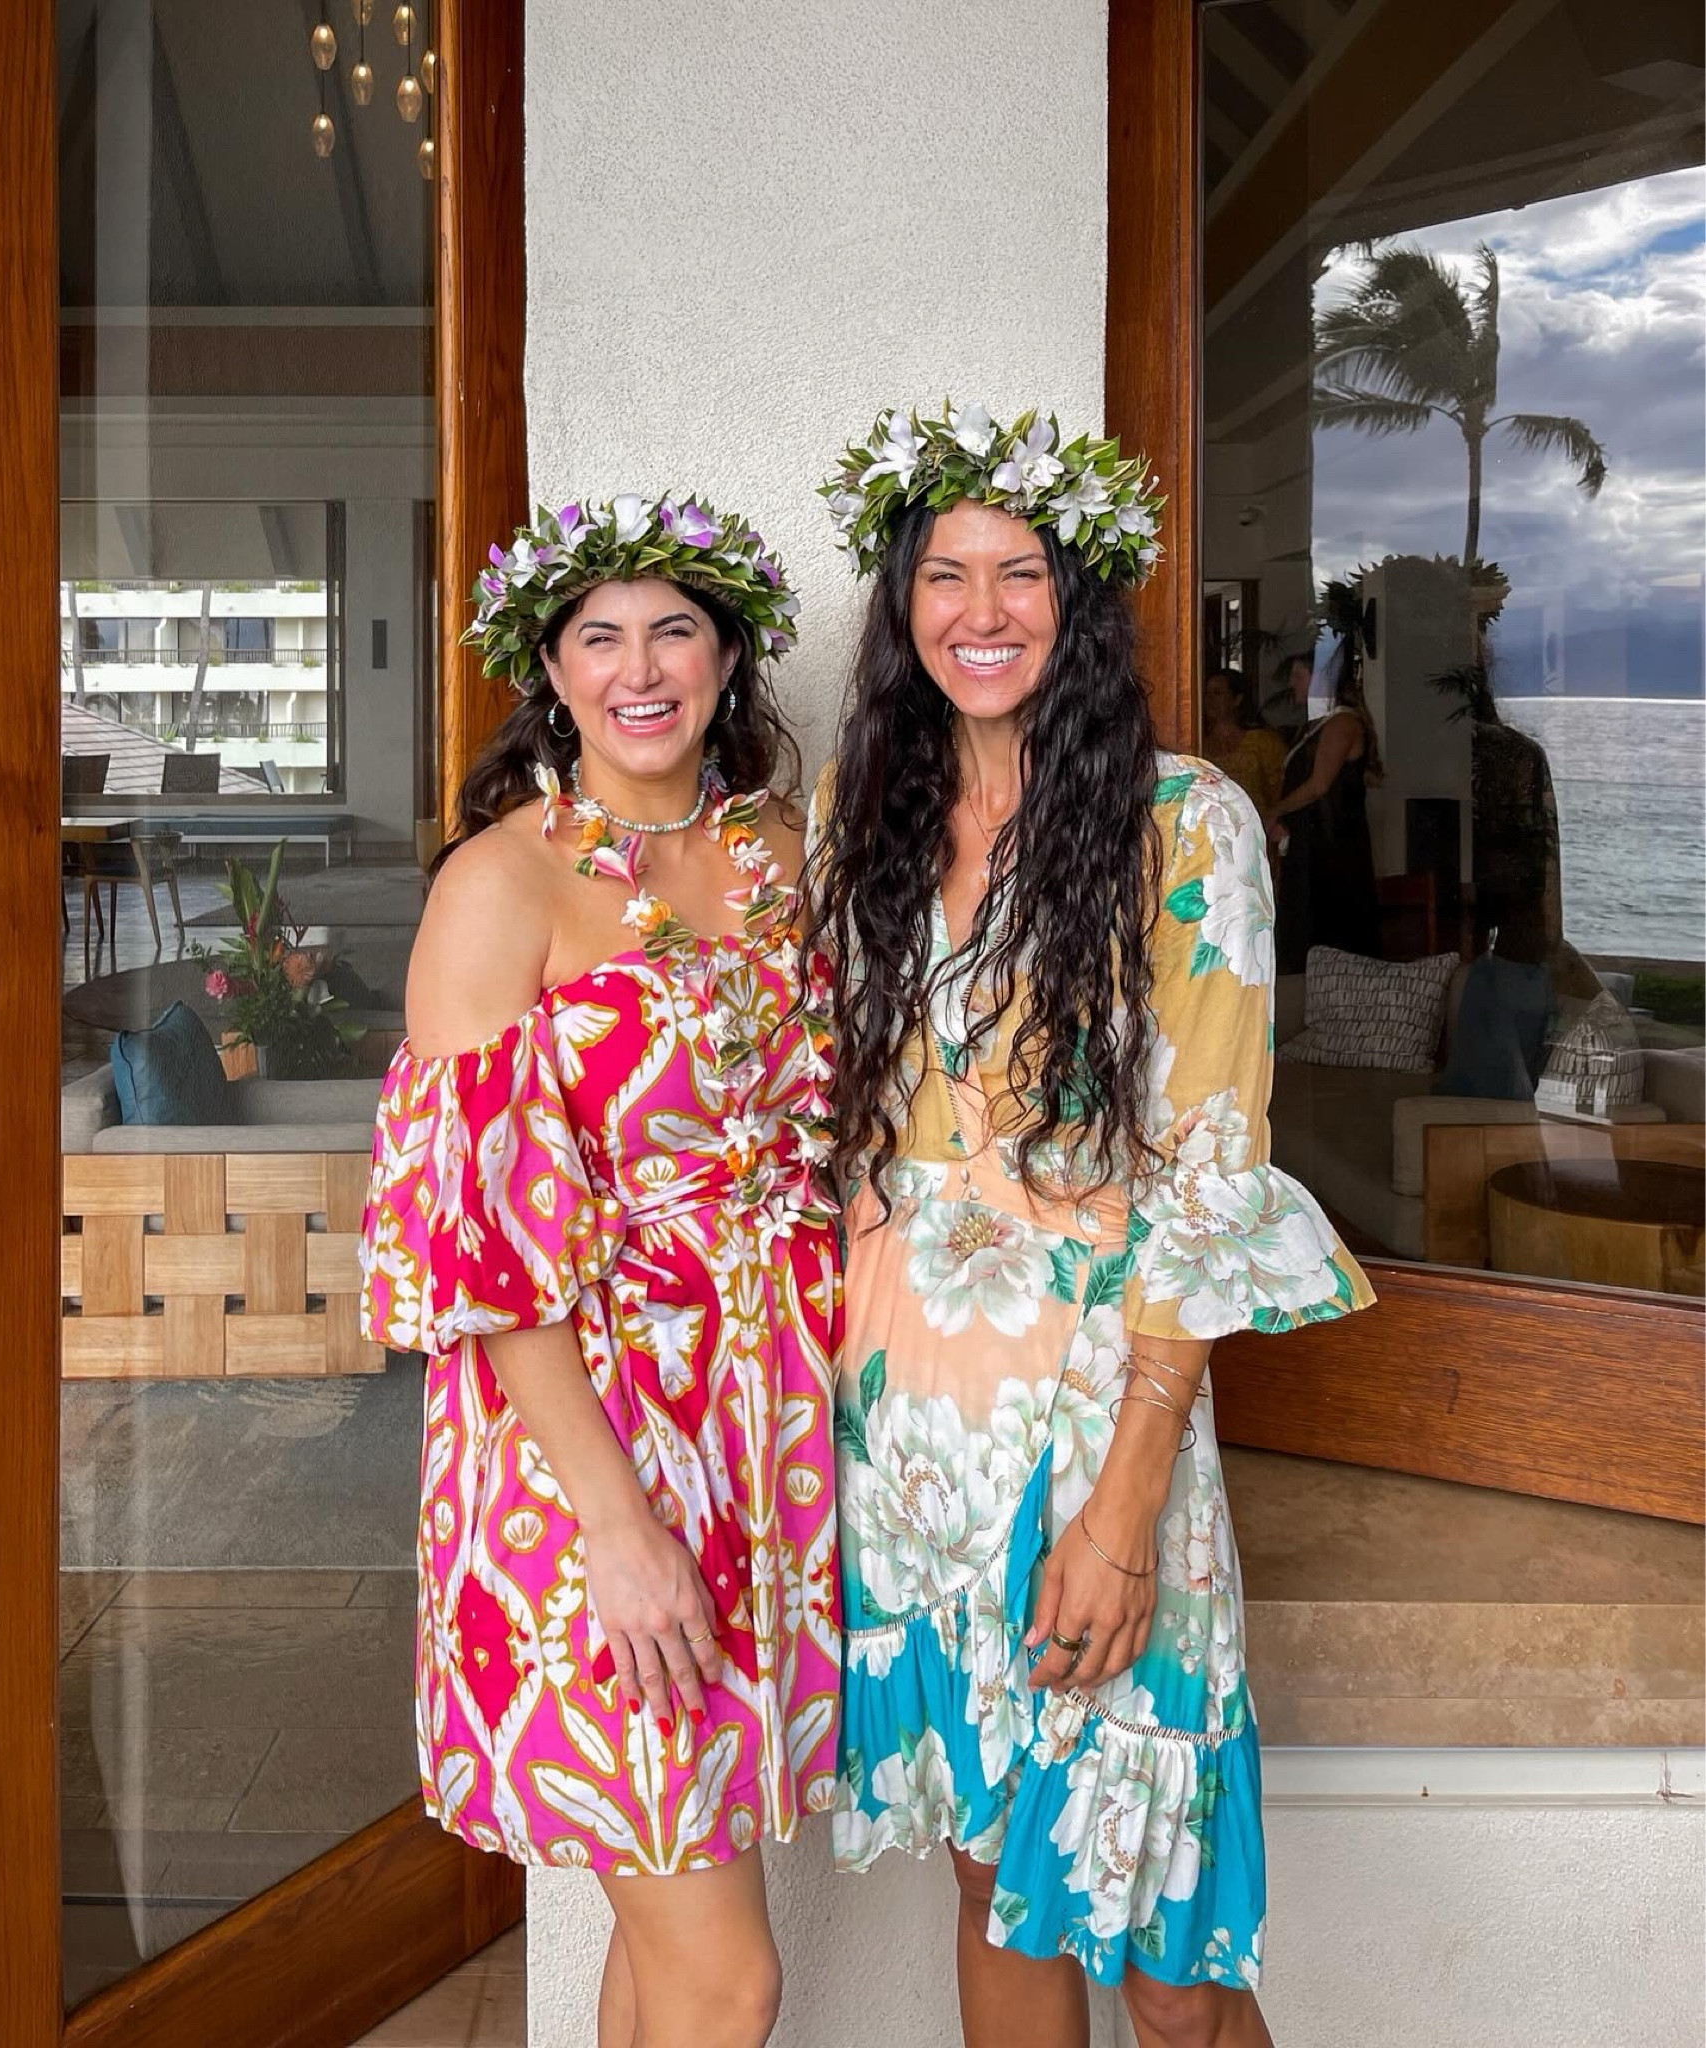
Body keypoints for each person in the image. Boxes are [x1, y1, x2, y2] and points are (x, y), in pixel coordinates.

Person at [809, 405, 1375, 2048]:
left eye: (1022, 573)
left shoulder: (1189, 822)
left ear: (1082, 603)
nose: (982, 609)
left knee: (1170, 1960)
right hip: (903, 1430)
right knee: (996, 1883)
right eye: (945, 574)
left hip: (1098, 1415)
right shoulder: (863, 814)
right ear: (901, 609)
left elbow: (1206, 1169)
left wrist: (1128, 1502)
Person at [359, 495, 838, 2048]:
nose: (639, 668)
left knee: (664, 1922)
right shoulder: (497, 890)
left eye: (674, 629)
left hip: (760, 1432)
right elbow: (476, 1255)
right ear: (550, 674)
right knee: (725, 1974)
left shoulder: (776, 844)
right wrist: (618, 1531)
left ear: (725, 657)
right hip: (587, 1455)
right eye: (598, 636)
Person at [1269, 644, 1383, 973]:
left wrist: (1274, 810)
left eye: (1299, 676)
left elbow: (1319, 785)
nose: (1293, 684)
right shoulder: (1313, 728)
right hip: (1306, 849)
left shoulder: (1343, 723)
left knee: (1333, 933)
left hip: (1333, 853)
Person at [1200, 665, 1288, 824]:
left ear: (1237, 699)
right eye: (1206, 694)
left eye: (1217, 693)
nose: (1209, 700)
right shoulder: (1197, 744)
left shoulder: (1263, 742)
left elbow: (1279, 792)